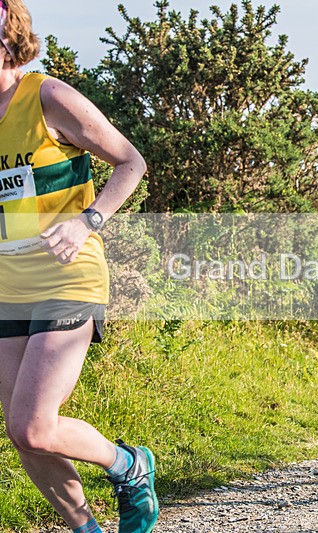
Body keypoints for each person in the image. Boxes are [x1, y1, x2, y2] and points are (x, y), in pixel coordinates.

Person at [0, 1, 157, 532]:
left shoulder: (46, 96)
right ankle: (84, 528)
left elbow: (131, 161)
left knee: (36, 425)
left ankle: (130, 467)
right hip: (7, 286)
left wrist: (88, 220)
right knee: (21, 433)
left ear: (8, 34)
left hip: (69, 274)